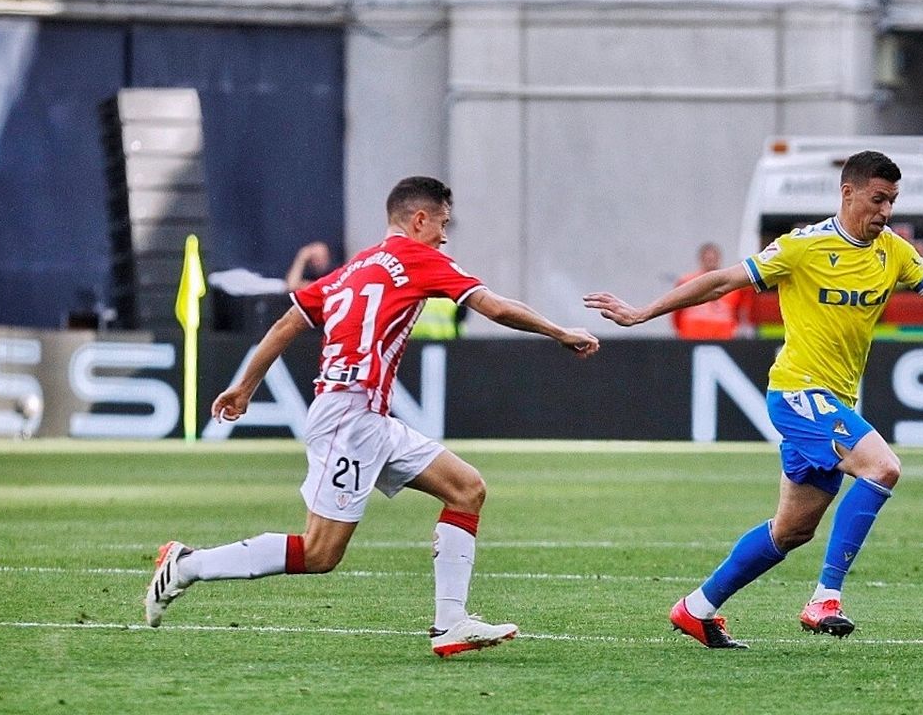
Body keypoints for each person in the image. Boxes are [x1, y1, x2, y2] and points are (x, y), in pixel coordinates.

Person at [144, 176, 602, 656]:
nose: (445, 236)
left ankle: (451, 623)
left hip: (367, 417)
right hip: (349, 416)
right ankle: (187, 564)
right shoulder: (420, 258)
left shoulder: (354, 268)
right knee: (320, 553)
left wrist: (244, 385)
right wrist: (559, 332)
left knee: (467, 489)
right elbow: (496, 307)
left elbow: (286, 322)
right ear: (419, 219)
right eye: (442, 224)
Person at [583, 150, 923, 649]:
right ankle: (825, 596)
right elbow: (722, 281)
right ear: (847, 193)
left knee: (791, 532)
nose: (886, 212)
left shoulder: (893, 251)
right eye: (878, 200)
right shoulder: (802, 247)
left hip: (835, 400)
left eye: (892, 201)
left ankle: (696, 609)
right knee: (882, 467)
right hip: (798, 392)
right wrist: (641, 314)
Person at [671, 242, 751, 340]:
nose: (711, 262)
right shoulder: (687, 282)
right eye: (708, 259)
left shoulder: (731, 285)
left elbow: (739, 311)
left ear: (719, 259)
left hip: (723, 336)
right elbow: (676, 310)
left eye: (713, 259)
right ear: (701, 259)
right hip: (691, 335)